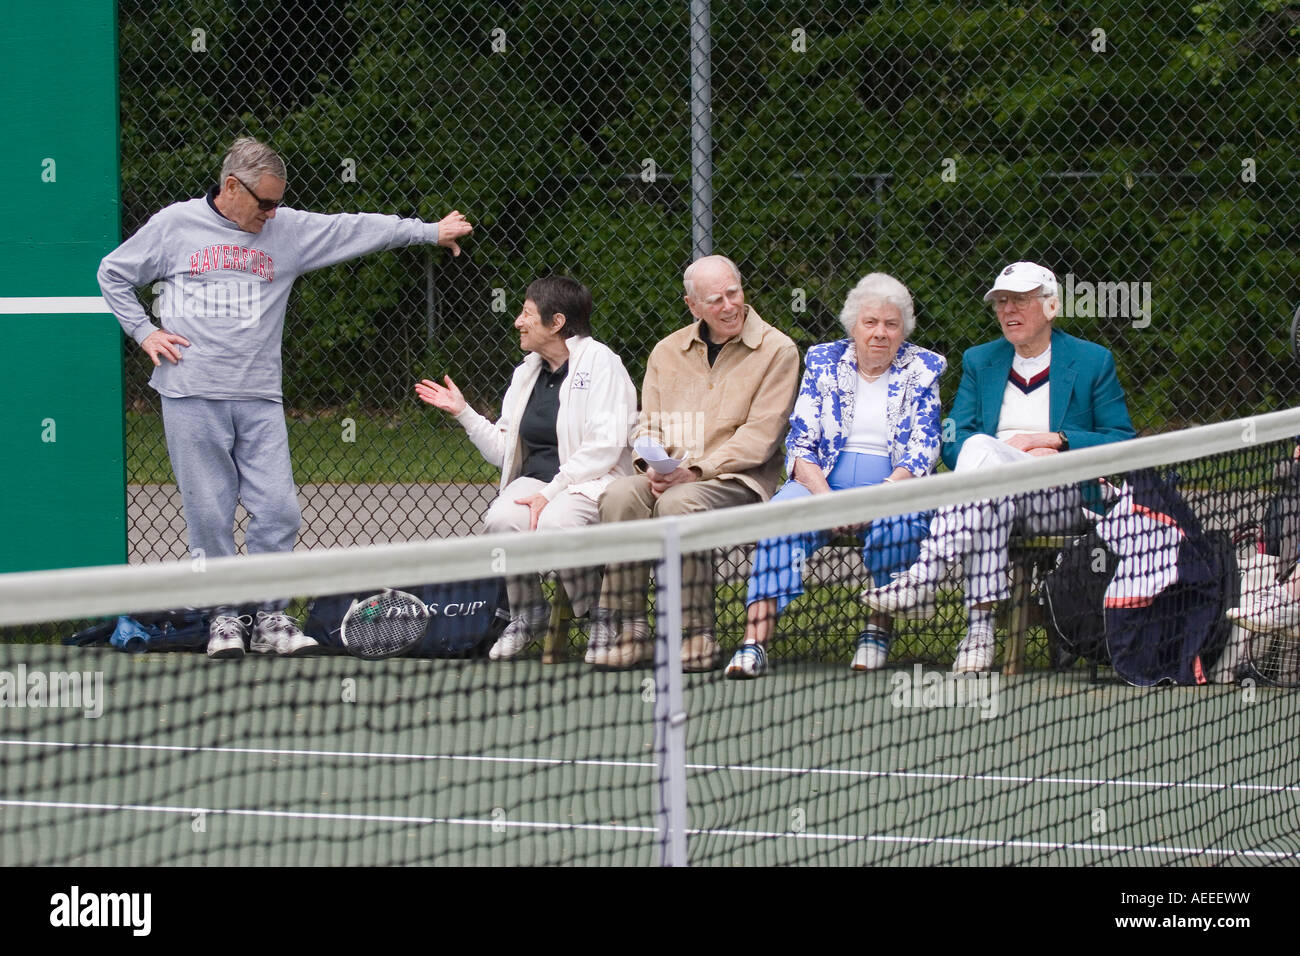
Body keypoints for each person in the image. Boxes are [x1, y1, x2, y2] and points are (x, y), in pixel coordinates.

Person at [97, 137, 473, 659]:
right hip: (189, 394)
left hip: (259, 398)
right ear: (231, 186)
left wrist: (428, 231)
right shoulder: (174, 226)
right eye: (264, 203)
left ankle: (272, 618)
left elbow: (354, 227)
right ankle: (225, 620)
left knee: (279, 510)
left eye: (278, 203)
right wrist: (143, 332)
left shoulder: (286, 230)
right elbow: (113, 273)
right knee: (209, 516)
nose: (272, 213)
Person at [861, 261, 1136, 672]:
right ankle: (978, 632)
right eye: (1001, 302)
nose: (1008, 311)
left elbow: (1123, 441)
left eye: (1020, 301)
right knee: (986, 476)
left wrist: (1056, 441)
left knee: (983, 466)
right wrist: (997, 456)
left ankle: (926, 578)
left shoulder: (1092, 360)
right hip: (994, 490)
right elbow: (954, 440)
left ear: (1051, 307)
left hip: (1060, 496)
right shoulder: (980, 360)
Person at [725, 273, 946, 679]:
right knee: (779, 518)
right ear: (853, 326)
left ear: (904, 330)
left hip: (892, 488)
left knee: (899, 526)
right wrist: (827, 498)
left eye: (891, 324)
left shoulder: (924, 368)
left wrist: (880, 497)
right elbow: (801, 441)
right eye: (871, 322)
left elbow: (924, 448)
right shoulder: (824, 360)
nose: (880, 333)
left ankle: (876, 632)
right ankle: (753, 643)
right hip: (821, 483)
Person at [589, 255, 800, 671]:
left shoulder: (778, 351)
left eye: (733, 293)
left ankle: (697, 635)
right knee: (619, 496)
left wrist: (695, 471)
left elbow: (760, 437)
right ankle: (632, 634)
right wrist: (651, 462)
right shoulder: (666, 351)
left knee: (678, 504)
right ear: (692, 305)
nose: (728, 306)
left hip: (736, 481)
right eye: (714, 299)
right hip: (669, 476)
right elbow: (646, 422)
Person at [415, 276, 637, 661]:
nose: (518, 321)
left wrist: (550, 494)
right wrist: (464, 413)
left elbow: (604, 446)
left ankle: (598, 614)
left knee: (558, 522)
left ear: (557, 323)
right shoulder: (527, 372)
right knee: (501, 520)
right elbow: (505, 452)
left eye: (527, 314)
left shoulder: (604, 365)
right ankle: (528, 611)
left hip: (592, 482)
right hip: (537, 481)